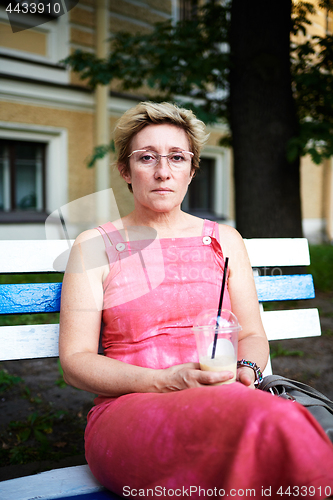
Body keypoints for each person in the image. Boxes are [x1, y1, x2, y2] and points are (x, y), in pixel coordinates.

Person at [59, 102, 333, 499]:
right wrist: (164, 381)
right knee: (273, 429)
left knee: (269, 427)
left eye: (176, 157)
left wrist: (244, 370)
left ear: (192, 170)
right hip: (130, 411)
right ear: (125, 171)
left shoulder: (225, 241)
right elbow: (76, 362)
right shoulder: (96, 246)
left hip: (228, 397)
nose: (162, 171)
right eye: (146, 157)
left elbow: (253, 334)